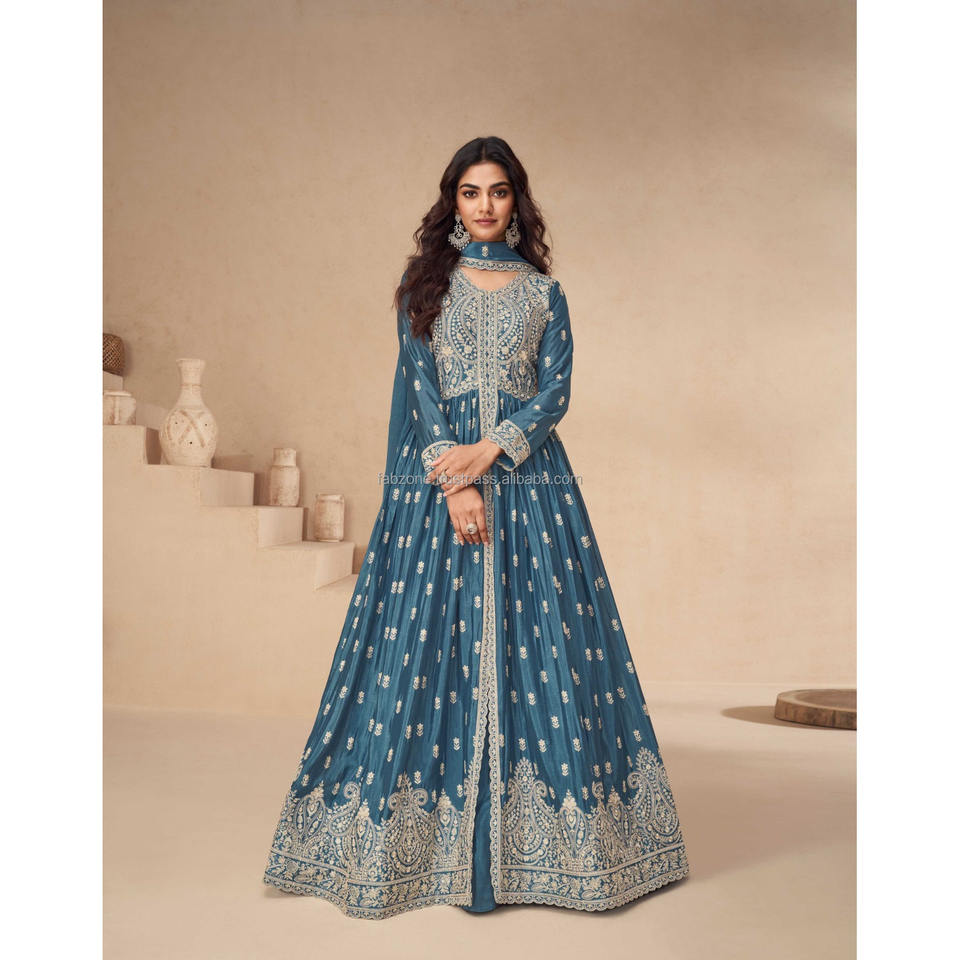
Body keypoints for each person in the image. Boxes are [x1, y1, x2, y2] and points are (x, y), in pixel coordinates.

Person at [262, 136, 690, 919]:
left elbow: (555, 393)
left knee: (546, 643)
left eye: (497, 191)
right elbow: (420, 389)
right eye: (470, 192)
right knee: (425, 646)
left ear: (516, 200)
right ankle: (421, 846)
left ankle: (549, 849)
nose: (485, 205)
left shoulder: (545, 294)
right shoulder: (426, 285)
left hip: (531, 489)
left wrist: (490, 452)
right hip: (435, 489)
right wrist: (456, 483)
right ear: (452, 202)